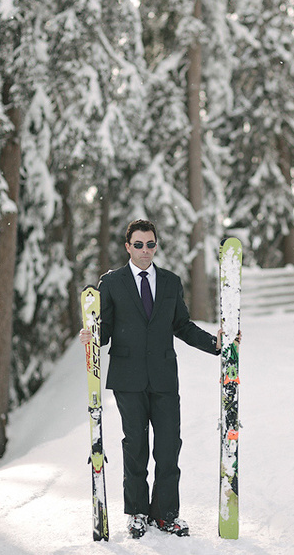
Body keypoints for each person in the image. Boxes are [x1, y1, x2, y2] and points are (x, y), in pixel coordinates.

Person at [78, 219, 237, 539]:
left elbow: (182, 325)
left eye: (150, 244)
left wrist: (216, 344)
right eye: (138, 244)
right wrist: (91, 335)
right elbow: (104, 330)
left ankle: (165, 514)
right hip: (127, 379)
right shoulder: (111, 283)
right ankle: (137, 512)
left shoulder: (169, 282)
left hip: (164, 378)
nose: (145, 250)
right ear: (127, 247)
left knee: (168, 449)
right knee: (135, 446)